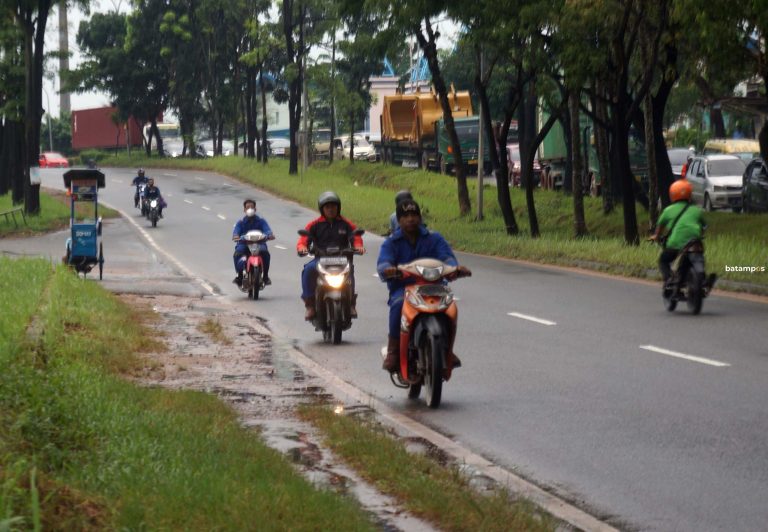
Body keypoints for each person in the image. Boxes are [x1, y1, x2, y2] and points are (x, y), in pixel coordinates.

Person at [377, 199, 470, 373]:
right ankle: (394, 351)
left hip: (434, 287)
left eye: (414, 215)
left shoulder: (434, 238)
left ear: (420, 218)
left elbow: (447, 258)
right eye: (405, 216)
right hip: (403, 289)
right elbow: (383, 262)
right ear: (399, 220)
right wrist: (388, 269)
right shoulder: (391, 242)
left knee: (450, 309)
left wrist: (454, 268)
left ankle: (447, 349)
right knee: (397, 306)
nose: (410, 219)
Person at [297, 191, 365, 320]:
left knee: (350, 272)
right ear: (322, 209)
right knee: (308, 270)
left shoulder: (346, 224)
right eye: (327, 207)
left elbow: (355, 237)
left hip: (342, 260)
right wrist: (302, 248)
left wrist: (358, 247)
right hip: (320, 260)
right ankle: (310, 304)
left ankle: (351, 304)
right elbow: (304, 240)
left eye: (333, 206)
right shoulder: (314, 225)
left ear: (338, 207)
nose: (331, 209)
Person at [650, 179, 709, 295]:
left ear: (672, 195)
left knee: (663, 260)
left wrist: (655, 237)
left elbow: (658, 231)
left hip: (675, 244)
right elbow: (704, 226)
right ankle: (701, 280)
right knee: (698, 257)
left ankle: (669, 281)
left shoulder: (668, 211)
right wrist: (700, 234)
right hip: (695, 243)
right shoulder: (696, 210)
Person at [232, 199, 274, 286]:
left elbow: (267, 230)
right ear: (244, 210)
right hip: (244, 243)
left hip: (259, 243)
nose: (250, 209)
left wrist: (269, 235)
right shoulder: (241, 222)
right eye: (248, 207)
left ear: (255, 209)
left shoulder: (261, 221)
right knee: (237, 254)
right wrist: (236, 236)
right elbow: (236, 231)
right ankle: (239, 276)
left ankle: (265, 276)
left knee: (266, 253)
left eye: (252, 207)